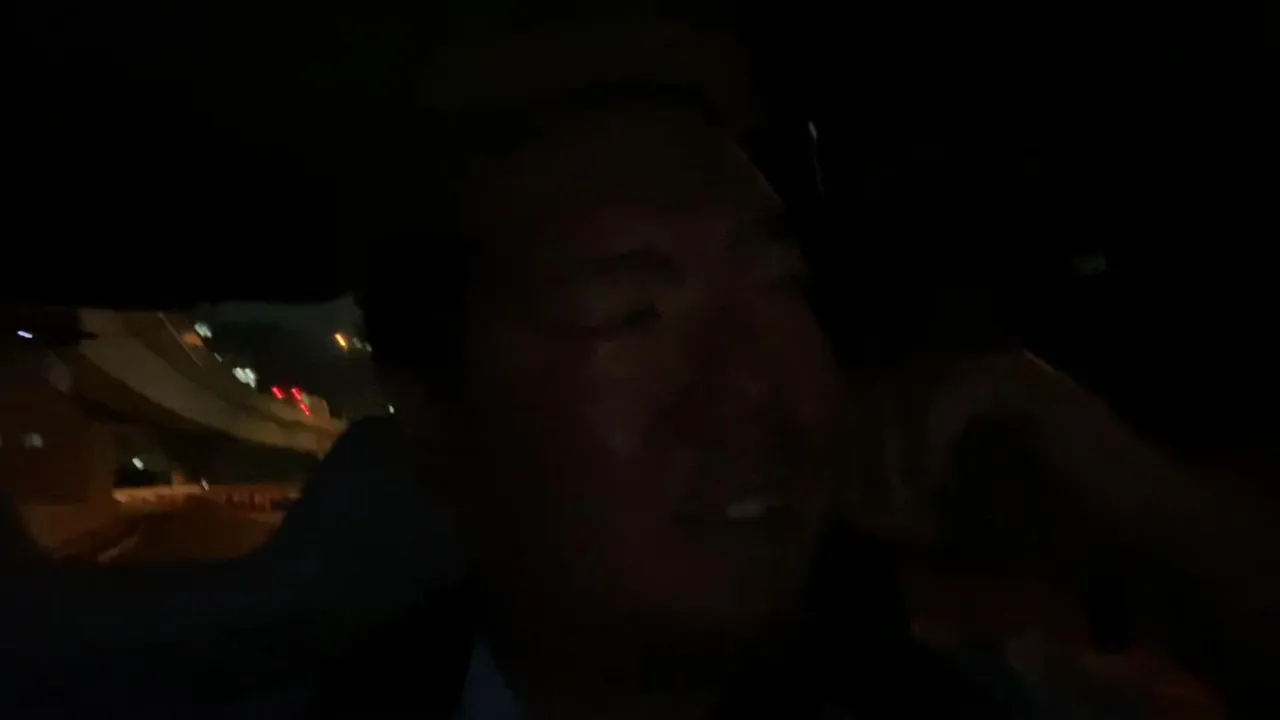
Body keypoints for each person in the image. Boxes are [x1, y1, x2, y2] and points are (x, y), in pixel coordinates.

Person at [321, 39, 1276, 720]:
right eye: (632, 314)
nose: (761, 389)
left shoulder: (988, 690)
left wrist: (1135, 500)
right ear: (435, 416)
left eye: (783, 290)